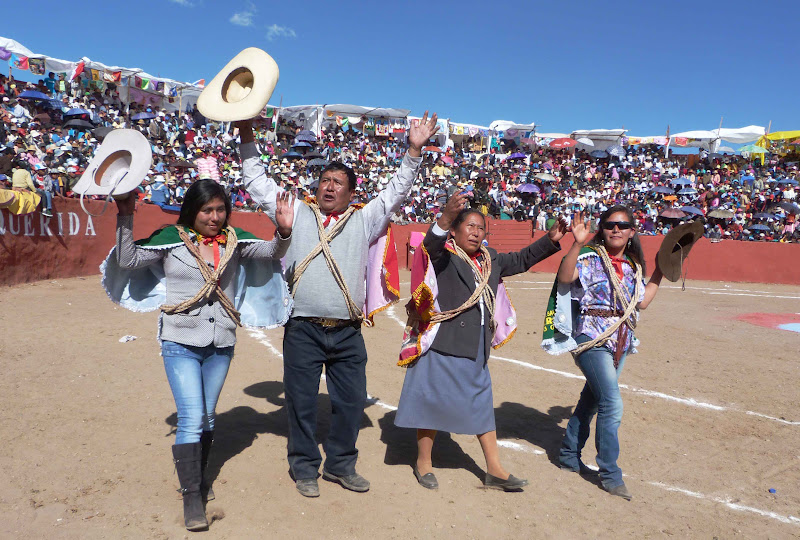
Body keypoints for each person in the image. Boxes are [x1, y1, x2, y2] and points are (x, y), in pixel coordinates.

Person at [237, 112, 440, 498]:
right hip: (302, 328)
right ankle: (304, 467)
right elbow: (256, 182)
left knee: (351, 402)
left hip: (347, 332)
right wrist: (247, 132)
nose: (329, 187)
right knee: (300, 402)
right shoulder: (296, 212)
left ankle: (340, 465)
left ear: (351, 193)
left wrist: (414, 150)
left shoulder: (365, 220)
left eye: (338, 183)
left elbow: (396, 191)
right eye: (325, 180)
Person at [106, 181, 294, 531]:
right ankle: (193, 497)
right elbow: (127, 259)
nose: (215, 217)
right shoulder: (170, 240)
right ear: (192, 210)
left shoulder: (234, 241)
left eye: (221, 209)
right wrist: (125, 215)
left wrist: (283, 231)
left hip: (221, 341)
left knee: (207, 416)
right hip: (180, 340)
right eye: (207, 210)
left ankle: (199, 477)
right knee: (192, 416)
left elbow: (272, 252)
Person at [394, 192, 567, 491]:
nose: (476, 232)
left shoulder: (491, 259)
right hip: (444, 342)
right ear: (455, 230)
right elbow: (429, 245)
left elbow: (522, 260)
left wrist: (550, 240)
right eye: (470, 226)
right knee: (431, 404)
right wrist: (445, 217)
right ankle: (423, 462)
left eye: (481, 228)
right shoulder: (443, 256)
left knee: (482, 406)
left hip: (476, 345)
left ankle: (495, 470)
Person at [553, 205, 663, 500]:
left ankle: (568, 456)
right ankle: (610, 474)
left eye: (623, 225)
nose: (616, 229)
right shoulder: (589, 257)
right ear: (602, 229)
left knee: (591, 400)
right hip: (591, 336)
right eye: (610, 224)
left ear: (632, 231)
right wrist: (576, 244)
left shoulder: (633, 266)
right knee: (612, 404)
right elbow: (565, 277)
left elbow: (641, 302)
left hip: (621, 339)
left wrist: (661, 270)